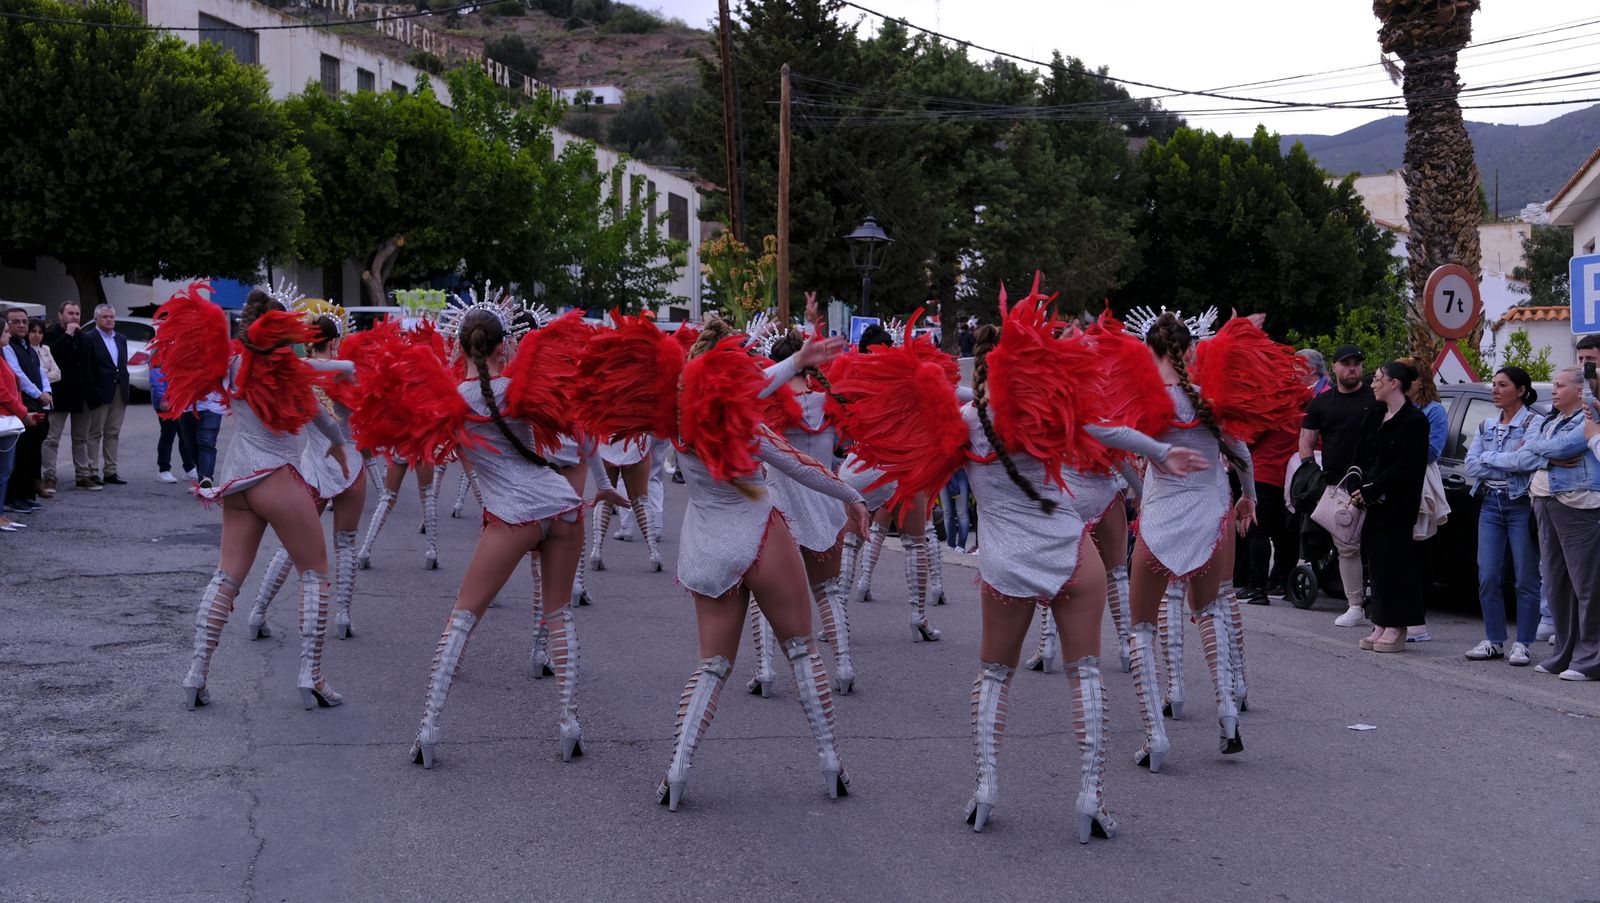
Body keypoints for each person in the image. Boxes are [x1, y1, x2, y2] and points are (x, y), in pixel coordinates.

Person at [640, 318, 866, 809]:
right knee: (803, 652)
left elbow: (752, 386)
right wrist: (853, 497)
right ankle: (831, 762)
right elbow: (801, 466)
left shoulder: (678, 424)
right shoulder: (745, 425)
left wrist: (796, 362)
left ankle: (677, 771)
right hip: (762, 538)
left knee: (711, 666)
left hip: (707, 547)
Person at [156, 284, 352, 711]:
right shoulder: (286, 367)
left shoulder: (230, 361)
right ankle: (312, 675)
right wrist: (338, 445)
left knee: (226, 577)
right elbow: (318, 415)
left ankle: (196, 673)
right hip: (277, 478)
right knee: (315, 574)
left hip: (238, 480)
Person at [1481, 366, 1600, 681]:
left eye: (1560, 385)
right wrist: (1541, 453)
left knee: (1585, 585)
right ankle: (1564, 653)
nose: (1554, 390)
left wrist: (1535, 450)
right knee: (1557, 583)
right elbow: (1529, 455)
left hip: (1576, 504)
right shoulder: (1550, 419)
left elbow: (1563, 447)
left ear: (1579, 390)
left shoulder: (1589, 417)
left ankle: (1591, 657)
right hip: (1544, 502)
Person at [1463, 367, 1542, 665]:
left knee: (1526, 577)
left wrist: (1490, 459)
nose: (1495, 390)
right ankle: (1494, 640)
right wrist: (1506, 461)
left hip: (1520, 503)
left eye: (1502, 385)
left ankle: (1523, 643)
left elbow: (1527, 460)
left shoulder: (1534, 422)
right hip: (1490, 504)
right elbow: (1471, 465)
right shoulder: (1486, 425)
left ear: (1520, 390)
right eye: (1494, 384)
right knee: (1488, 575)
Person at [1300, 344, 1383, 627]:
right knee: (1347, 547)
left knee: (1379, 546)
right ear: (1334, 367)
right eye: (1346, 363)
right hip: (1338, 486)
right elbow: (1306, 441)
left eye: (1356, 363)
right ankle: (1355, 606)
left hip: (1375, 482)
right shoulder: (1321, 403)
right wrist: (1311, 472)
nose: (1352, 368)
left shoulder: (1375, 400)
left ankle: (1384, 605)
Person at [1352, 362, 1431, 654]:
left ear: (1394, 383)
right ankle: (1380, 621)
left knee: (1396, 562)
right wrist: (1356, 482)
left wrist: (1375, 488)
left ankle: (1397, 625)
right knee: (1375, 562)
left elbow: (1407, 465)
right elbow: (1360, 453)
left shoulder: (1415, 420)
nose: (1373, 384)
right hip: (1370, 501)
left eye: (1378, 379)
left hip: (1397, 502)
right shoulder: (1374, 415)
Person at [1239, 425, 1298, 604]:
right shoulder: (1304, 412)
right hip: (1289, 477)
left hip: (1264, 472)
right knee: (1284, 534)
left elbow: (1248, 436)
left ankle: (1257, 587)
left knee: (1259, 531)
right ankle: (1281, 582)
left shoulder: (1273, 410)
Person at [41, 301, 92, 493]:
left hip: (80, 395)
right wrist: (67, 335)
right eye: (70, 313)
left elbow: (89, 365)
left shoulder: (84, 337)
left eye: (77, 313)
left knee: (81, 438)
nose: (74, 317)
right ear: (60, 315)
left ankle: (82, 476)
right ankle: (49, 477)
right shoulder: (50, 335)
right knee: (51, 439)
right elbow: (49, 356)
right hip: (58, 394)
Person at [4, 306, 50, 513]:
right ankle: (14, 498)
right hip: (22, 405)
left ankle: (26, 494)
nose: (21, 325)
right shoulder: (8, 347)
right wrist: (38, 394)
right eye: (15, 322)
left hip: (36, 404)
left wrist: (47, 391)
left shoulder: (29, 346)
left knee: (32, 453)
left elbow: (40, 371)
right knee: (21, 453)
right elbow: (18, 375)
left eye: (24, 321)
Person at [0, 347, 47, 532]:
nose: (8, 335)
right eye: (5, 333)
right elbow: (3, 392)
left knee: (6, 469)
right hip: (4, 418)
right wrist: (23, 413)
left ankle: (1, 514)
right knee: (3, 470)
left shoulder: (2, 356)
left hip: (10, 417)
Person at [83, 303, 131, 486]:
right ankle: (92, 470)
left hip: (119, 390)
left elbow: (121, 364)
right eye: (105, 317)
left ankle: (110, 471)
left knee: (113, 432)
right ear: (96, 319)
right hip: (99, 391)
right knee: (95, 432)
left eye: (111, 317)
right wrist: (92, 391)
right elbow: (88, 367)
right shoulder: (89, 338)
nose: (109, 320)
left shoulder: (121, 339)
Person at [149, 363, 197, 484]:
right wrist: (162, 398)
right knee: (168, 435)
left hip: (182, 400)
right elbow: (156, 374)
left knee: (185, 436)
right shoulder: (160, 353)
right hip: (167, 401)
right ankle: (164, 470)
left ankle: (189, 468)